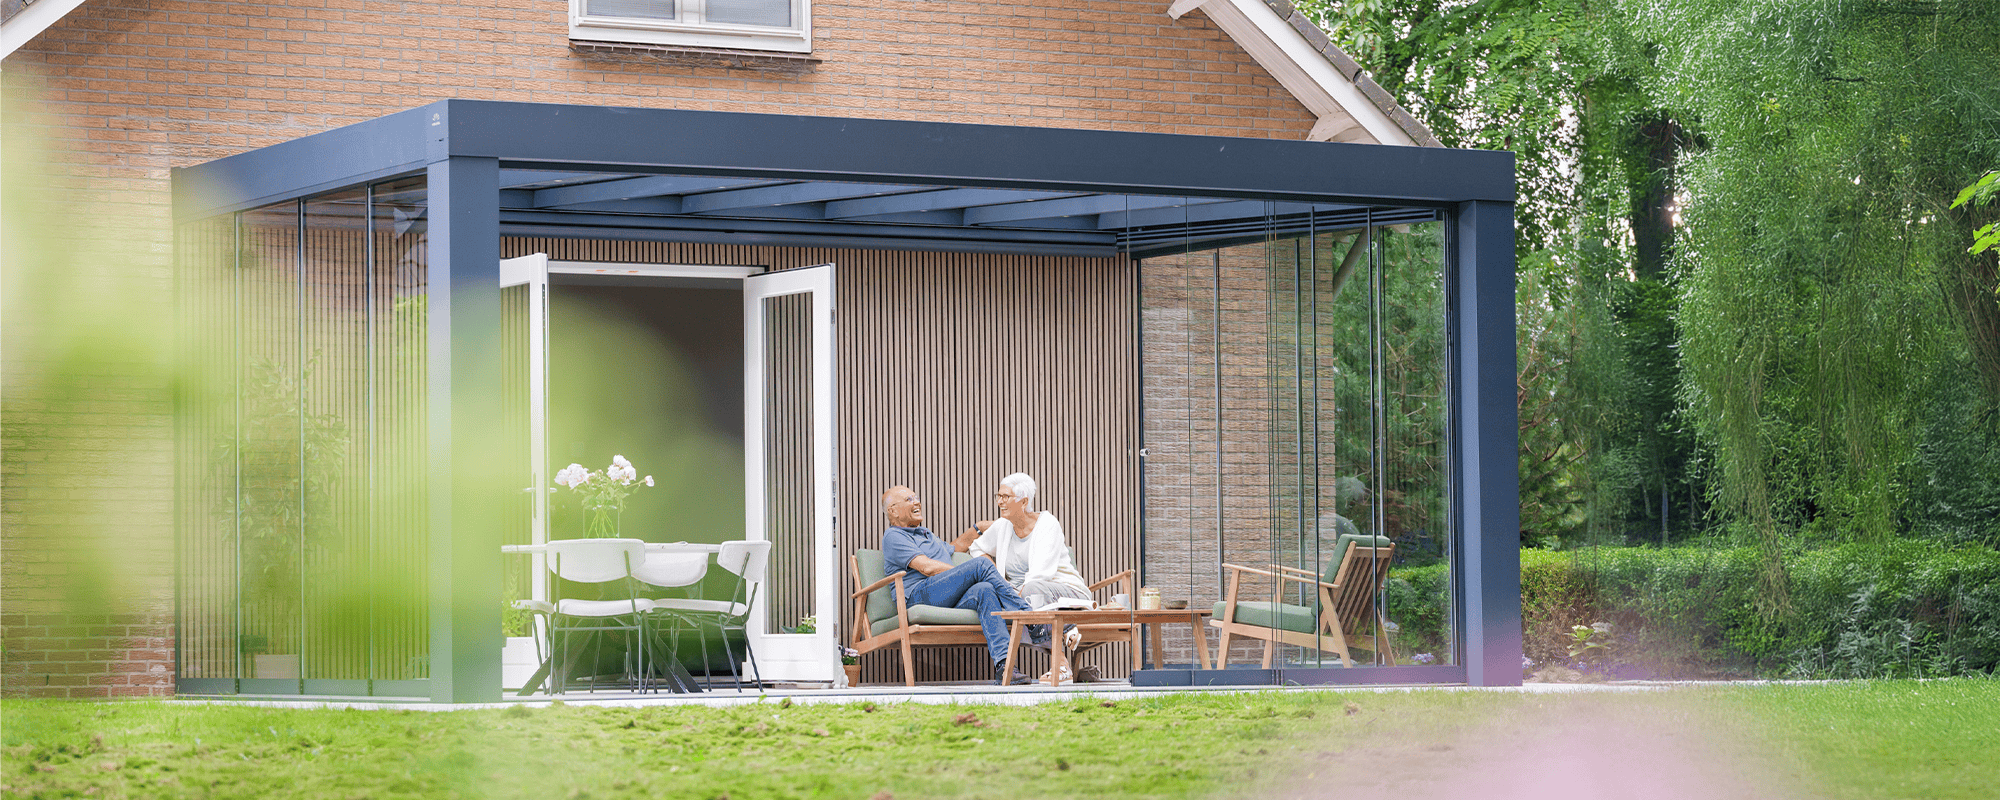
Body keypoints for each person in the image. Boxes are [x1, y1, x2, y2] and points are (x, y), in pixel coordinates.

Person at [878, 484, 1032, 685]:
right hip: (918, 596)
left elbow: (955, 547)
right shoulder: (894, 536)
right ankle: (1030, 617)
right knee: (981, 565)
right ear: (893, 511)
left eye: (916, 497)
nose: (917, 502)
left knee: (984, 590)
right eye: (909, 500)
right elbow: (927, 567)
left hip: (945, 595)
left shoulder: (925, 533)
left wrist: (977, 528)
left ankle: (1005, 668)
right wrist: (967, 573)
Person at [956, 472, 1091, 683]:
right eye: (998, 496)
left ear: (1024, 501)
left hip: (1063, 589)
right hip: (1025, 598)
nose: (1000, 501)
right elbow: (976, 547)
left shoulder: (1047, 524)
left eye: (1006, 497)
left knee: (1029, 593)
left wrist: (1011, 596)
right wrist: (998, 578)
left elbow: (1040, 574)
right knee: (1008, 599)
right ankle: (1062, 643)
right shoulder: (1003, 526)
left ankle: (1062, 665)